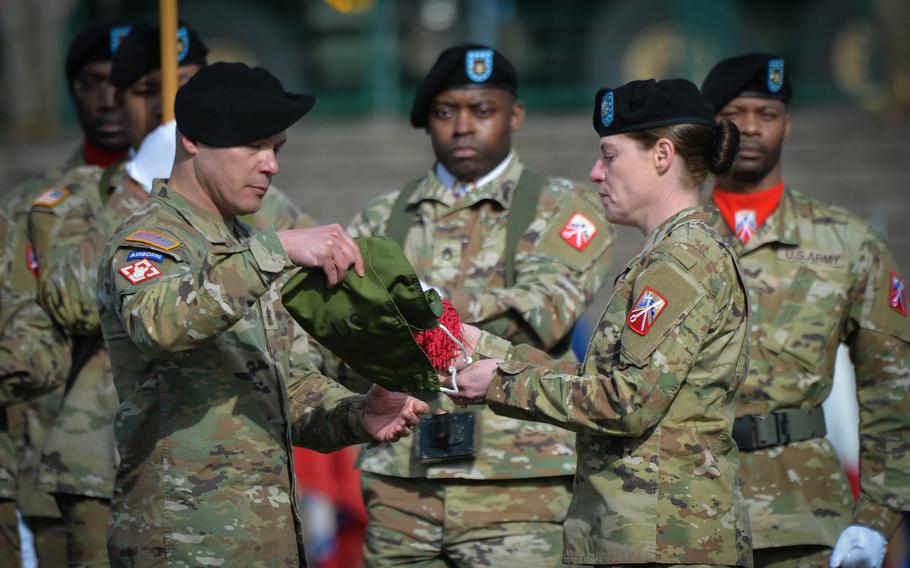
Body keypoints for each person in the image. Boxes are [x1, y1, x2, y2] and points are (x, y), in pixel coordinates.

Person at [96, 61, 429, 566]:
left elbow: (287, 386)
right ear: (192, 140)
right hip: (181, 542)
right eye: (253, 146)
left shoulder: (245, 246)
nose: (271, 164)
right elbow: (161, 325)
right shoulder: (152, 240)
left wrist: (359, 414)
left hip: (265, 540)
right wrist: (276, 251)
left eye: (276, 148)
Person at [446, 78, 752, 566]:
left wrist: (501, 384)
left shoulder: (683, 260)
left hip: (663, 541)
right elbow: (608, 384)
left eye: (610, 156)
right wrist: (486, 347)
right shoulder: (670, 254)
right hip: (639, 535)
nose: (595, 173)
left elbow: (627, 402)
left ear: (662, 155)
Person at [348, 44, 614, 566]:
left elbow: (542, 311)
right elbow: (344, 331)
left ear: (515, 115)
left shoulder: (565, 207)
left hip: (517, 481)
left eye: (483, 111)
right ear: (427, 120)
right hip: (402, 479)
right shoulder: (380, 219)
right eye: (446, 112)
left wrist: (415, 303)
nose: (463, 127)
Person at [701, 53, 910, 568]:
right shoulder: (673, 237)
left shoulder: (848, 244)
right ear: (709, 126)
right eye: (735, 112)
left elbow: (892, 393)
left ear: (788, 125)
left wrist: (880, 517)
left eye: (766, 115)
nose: (750, 127)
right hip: (688, 510)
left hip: (804, 513)